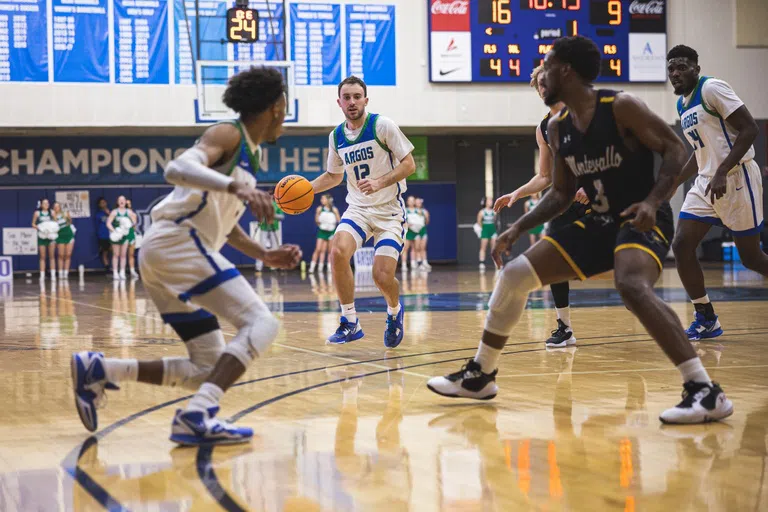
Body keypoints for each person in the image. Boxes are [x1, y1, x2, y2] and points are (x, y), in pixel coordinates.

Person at [427, 35, 733, 425]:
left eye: (547, 65)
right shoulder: (557, 128)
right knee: (516, 273)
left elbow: (677, 150)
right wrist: (517, 227)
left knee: (631, 285)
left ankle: (705, 390)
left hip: (641, 217)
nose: (541, 73)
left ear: (566, 71)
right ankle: (481, 375)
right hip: (599, 222)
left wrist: (654, 201)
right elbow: (560, 193)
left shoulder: (620, 106)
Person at [71, 66, 302, 445]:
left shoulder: (251, 156)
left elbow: (225, 227)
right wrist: (236, 188)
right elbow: (177, 168)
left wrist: (265, 253)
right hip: (177, 242)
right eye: (285, 104)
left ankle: (100, 369)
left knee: (206, 366)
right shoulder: (229, 134)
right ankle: (198, 414)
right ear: (277, 106)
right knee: (263, 323)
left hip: (168, 250)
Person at [666, 44, 766, 340]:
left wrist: (722, 170)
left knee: (752, 259)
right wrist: (674, 182)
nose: (675, 73)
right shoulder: (682, 104)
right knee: (682, 244)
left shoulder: (712, 88)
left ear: (696, 68)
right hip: (706, 182)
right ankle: (706, 317)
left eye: (682, 67)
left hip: (735, 177)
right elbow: (699, 153)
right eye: (671, 68)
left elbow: (750, 130)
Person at [311, 76, 415, 347]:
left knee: (381, 277)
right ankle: (350, 321)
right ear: (339, 102)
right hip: (358, 208)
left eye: (357, 96)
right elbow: (333, 177)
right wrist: (305, 189)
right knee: (337, 251)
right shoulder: (336, 137)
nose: (352, 102)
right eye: (347, 97)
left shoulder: (382, 125)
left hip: (389, 211)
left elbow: (409, 165)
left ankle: (394, 311)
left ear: (366, 100)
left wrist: (380, 182)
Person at [495, 65, 591, 348]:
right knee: (553, 259)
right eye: (539, 85)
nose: (544, 89)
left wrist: (595, 184)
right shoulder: (544, 128)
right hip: (570, 202)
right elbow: (545, 176)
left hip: (604, 198)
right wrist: (517, 193)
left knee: (624, 264)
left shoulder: (585, 115)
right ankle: (565, 328)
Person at [106, 196, 137, 280]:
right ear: (117, 202)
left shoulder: (129, 212)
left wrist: (129, 225)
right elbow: (108, 223)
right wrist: (114, 231)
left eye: (123, 200)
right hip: (117, 235)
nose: (122, 201)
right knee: (116, 254)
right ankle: (115, 272)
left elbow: (134, 222)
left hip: (125, 235)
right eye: (120, 200)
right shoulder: (114, 212)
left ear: (125, 202)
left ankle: (122, 272)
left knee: (123, 255)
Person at [309, 194, 340, 273]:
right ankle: (313, 267)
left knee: (329, 250)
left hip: (331, 231)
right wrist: (321, 224)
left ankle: (329, 267)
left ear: (328, 200)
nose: (322, 200)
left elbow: (339, 220)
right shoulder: (319, 209)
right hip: (322, 231)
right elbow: (316, 220)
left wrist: (332, 225)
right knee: (319, 249)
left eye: (323, 199)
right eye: (321, 199)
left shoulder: (334, 209)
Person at [255, 197, 285, 272]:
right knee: (261, 246)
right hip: (264, 228)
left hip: (274, 228)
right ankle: (258, 266)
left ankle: (273, 265)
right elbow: (258, 215)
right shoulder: (262, 205)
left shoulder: (277, 205)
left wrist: (273, 215)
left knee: (275, 247)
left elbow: (282, 217)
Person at [32, 198, 56, 280]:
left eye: (48, 203)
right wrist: (40, 228)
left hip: (50, 236)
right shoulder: (37, 213)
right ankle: (42, 275)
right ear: (41, 204)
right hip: (42, 236)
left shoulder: (52, 212)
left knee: (52, 256)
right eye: (45, 203)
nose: (47, 205)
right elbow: (33, 224)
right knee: (42, 256)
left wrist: (51, 230)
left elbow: (56, 223)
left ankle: (53, 275)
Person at [53, 202, 75, 279]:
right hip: (60, 236)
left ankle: (66, 273)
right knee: (61, 255)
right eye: (55, 207)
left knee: (68, 254)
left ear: (60, 207)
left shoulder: (65, 213)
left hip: (68, 235)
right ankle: (60, 272)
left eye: (57, 206)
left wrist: (68, 218)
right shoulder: (53, 216)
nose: (56, 208)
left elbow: (70, 222)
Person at [403, 196, 424, 272]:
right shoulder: (405, 210)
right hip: (408, 232)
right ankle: (404, 265)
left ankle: (414, 263)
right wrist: (407, 225)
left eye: (413, 200)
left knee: (415, 248)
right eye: (410, 200)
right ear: (407, 202)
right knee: (405, 249)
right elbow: (401, 221)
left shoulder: (418, 211)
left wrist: (418, 225)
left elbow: (422, 221)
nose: (411, 202)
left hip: (416, 231)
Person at [477, 197, 497, 270]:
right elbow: (479, 222)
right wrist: (484, 228)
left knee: (494, 247)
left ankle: (496, 261)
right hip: (485, 230)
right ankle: (482, 263)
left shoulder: (494, 212)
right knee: (483, 247)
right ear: (485, 202)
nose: (491, 202)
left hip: (492, 230)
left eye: (491, 200)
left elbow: (494, 220)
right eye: (489, 201)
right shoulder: (481, 212)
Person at [94, 197, 112, 272]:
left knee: (114, 250)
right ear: (99, 205)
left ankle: (116, 267)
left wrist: (109, 214)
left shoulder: (111, 213)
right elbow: (97, 225)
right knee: (105, 252)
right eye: (102, 203)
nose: (103, 204)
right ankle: (107, 267)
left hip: (112, 235)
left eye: (104, 202)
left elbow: (115, 221)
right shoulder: (98, 214)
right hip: (103, 235)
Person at [124, 199, 140, 279]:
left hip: (130, 235)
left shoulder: (133, 214)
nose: (128, 205)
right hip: (122, 235)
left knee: (131, 254)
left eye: (129, 204)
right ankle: (121, 271)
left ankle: (132, 270)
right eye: (126, 204)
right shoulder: (119, 213)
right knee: (121, 255)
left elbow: (134, 226)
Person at [415, 197, 431, 270]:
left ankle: (425, 262)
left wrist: (427, 217)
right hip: (415, 232)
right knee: (417, 248)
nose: (418, 203)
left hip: (423, 231)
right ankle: (418, 263)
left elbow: (427, 222)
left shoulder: (424, 211)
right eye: (417, 202)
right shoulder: (413, 211)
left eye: (419, 202)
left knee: (423, 247)